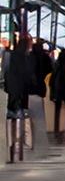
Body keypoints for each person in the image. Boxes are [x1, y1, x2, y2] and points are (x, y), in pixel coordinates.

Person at [4, 34, 36, 163]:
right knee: (21, 119)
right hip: (22, 93)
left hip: (12, 93)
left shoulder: (10, 56)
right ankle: (19, 148)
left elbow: (5, 74)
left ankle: (12, 147)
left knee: (12, 119)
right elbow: (28, 76)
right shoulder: (25, 59)